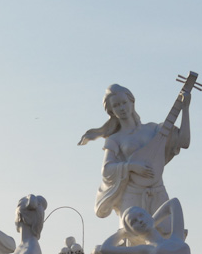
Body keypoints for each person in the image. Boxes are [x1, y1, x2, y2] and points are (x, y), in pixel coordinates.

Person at [79, 83, 191, 220]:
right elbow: (106, 169)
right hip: (132, 196)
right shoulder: (114, 139)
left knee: (167, 235)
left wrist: (185, 109)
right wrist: (131, 167)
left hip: (158, 193)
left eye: (124, 103)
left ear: (132, 102)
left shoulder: (153, 130)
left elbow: (184, 141)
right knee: (133, 236)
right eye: (116, 105)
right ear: (111, 111)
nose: (122, 108)